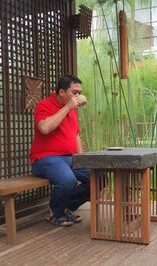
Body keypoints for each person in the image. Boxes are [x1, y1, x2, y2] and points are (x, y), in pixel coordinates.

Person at [30, 74, 90, 227]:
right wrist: (67, 107)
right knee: (67, 180)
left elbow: (75, 134)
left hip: (70, 158)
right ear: (62, 92)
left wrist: (81, 157)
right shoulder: (44, 105)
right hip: (46, 159)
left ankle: (66, 207)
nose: (77, 96)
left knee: (98, 178)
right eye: (74, 92)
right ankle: (55, 214)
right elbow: (44, 128)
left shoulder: (73, 110)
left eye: (79, 93)